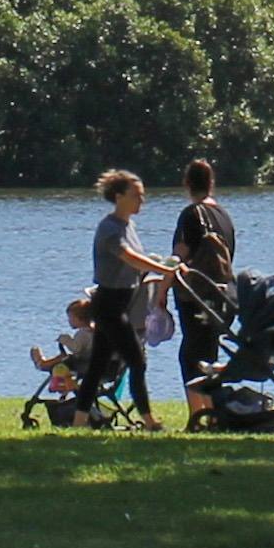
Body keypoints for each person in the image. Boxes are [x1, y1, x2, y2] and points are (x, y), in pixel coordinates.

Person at [78, 168, 167, 426]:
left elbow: (140, 260)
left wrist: (162, 265)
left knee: (97, 367)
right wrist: (162, 269)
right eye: (136, 195)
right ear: (119, 196)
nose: (142, 201)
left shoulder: (129, 226)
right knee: (136, 361)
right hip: (109, 305)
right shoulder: (109, 228)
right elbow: (127, 256)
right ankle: (150, 421)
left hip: (122, 304)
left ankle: (77, 423)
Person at [166, 158, 241, 424]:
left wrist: (160, 292)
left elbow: (177, 258)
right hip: (225, 296)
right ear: (211, 183)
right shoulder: (225, 216)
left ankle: (199, 415)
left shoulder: (191, 214)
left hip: (196, 296)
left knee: (190, 357)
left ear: (187, 183)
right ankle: (212, 414)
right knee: (208, 355)